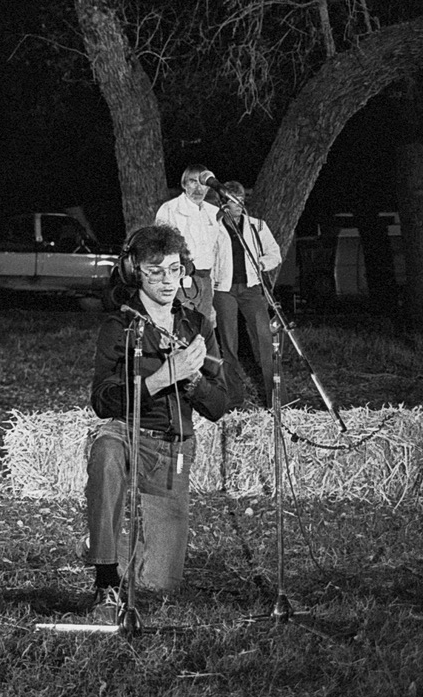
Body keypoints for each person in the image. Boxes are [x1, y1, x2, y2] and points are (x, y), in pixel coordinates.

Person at [85, 224, 227, 619]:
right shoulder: (119, 326)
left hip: (172, 447)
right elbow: (103, 400)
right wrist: (164, 376)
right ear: (135, 273)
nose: (168, 280)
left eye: (175, 269)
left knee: (159, 584)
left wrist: (194, 379)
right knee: (105, 452)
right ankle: (105, 576)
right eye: (155, 271)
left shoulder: (197, 326)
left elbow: (221, 403)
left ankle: (135, 552)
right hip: (127, 431)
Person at [212, 181, 282, 409]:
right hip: (224, 291)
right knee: (228, 344)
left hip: (251, 289)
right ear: (224, 204)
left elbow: (275, 255)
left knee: (264, 340)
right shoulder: (214, 228)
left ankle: (277, 399)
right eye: (235, 201)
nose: (240, 205)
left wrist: (262, 263)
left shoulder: (257, 226)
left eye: (242, 200)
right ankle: (234, 400)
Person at [154, 164, 229, 332]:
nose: (198, 188)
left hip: (206, 281)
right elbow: (161, 250)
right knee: (181, 330)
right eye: (192, 182)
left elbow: (217, 253)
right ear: (183, 184)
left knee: (203, 332)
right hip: (181, 281)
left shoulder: (214, 213)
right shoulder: (170, 210)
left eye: (203, 183)